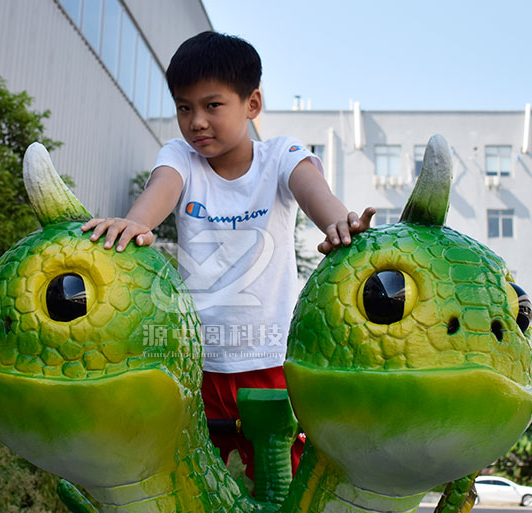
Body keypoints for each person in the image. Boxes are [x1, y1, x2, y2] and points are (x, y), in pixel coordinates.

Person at [82, 31, 374, 478]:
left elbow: (314, 190)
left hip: (270, 363)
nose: (196, 121)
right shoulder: (181, 158)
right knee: (197, 485)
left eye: (212, 105)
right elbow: (161, 188)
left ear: (252, 104)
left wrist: (338, 221)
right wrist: (137, 222)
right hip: (197, 363)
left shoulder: (280, 155)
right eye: (184, 107)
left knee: (281, 483)